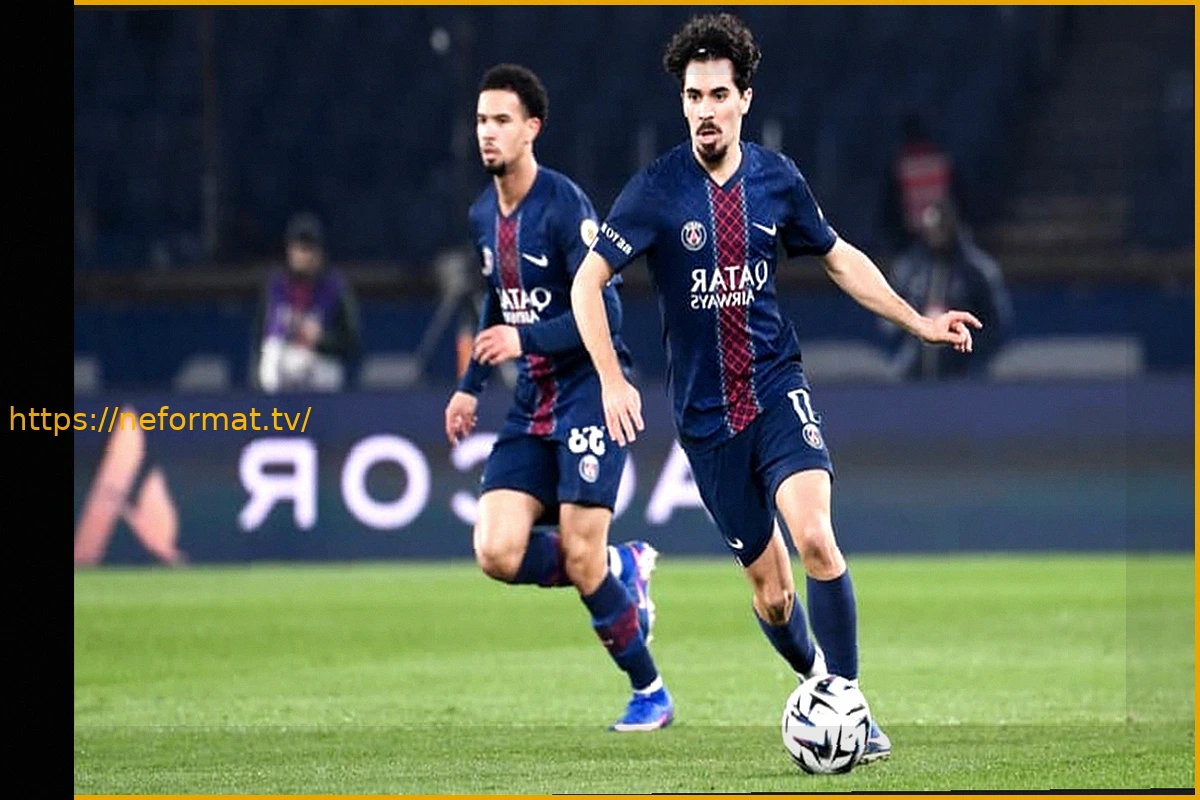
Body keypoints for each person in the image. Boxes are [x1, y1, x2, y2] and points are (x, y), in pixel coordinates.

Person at [571, 13, 983, 762]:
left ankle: (849, 706)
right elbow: (586, 281)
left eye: (717, 94)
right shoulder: (655, 191)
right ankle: (817, 677)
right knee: (772, 591)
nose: (704, 109)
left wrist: (918, 322)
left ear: (744, 99)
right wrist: (609, 378)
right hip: (706, 420)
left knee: (816, 537)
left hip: (774, 386)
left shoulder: (776, 179)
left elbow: (838, 256)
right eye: (693, 95)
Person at [443, 64, 673, 732]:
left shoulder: (565, 206)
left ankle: (650, 691)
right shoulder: (482, 215)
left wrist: (523, 339)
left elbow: (608, 311)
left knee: (577, 554)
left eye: (502, 120)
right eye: (481, 120)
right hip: (530, 402)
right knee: (496, 552)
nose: (488, 132)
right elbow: (498, 299)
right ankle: (621, 565)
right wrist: (469, 388)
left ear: (532, 129)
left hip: (587, 392)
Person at [883, 197, 1012, 380]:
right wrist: (916, 324)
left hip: (963, 375)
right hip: (912, 373)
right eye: (932, 228)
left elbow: (997, 323)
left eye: (942, 227)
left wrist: (968, 346)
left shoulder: (978, 270)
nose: (937, 234)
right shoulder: (909, 268)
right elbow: (888, 319)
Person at [252, 212, 361, 393]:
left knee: (327, 370)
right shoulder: (276, 287)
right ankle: (270, 406)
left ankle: (325, 410)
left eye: (310, 249)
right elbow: (259, 339)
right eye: (299, 249)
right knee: (272, 352)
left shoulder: (335, 288)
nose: (304, 256)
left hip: (320, 362)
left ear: (320, 253)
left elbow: (351, 342)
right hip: (283, 361)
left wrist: (321, 339)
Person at [881, 112, 963, 256]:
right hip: (942, 237)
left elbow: (891, 207)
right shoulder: (942, 161)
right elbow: (959, 196)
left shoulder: (900, 166)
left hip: (912, 239)